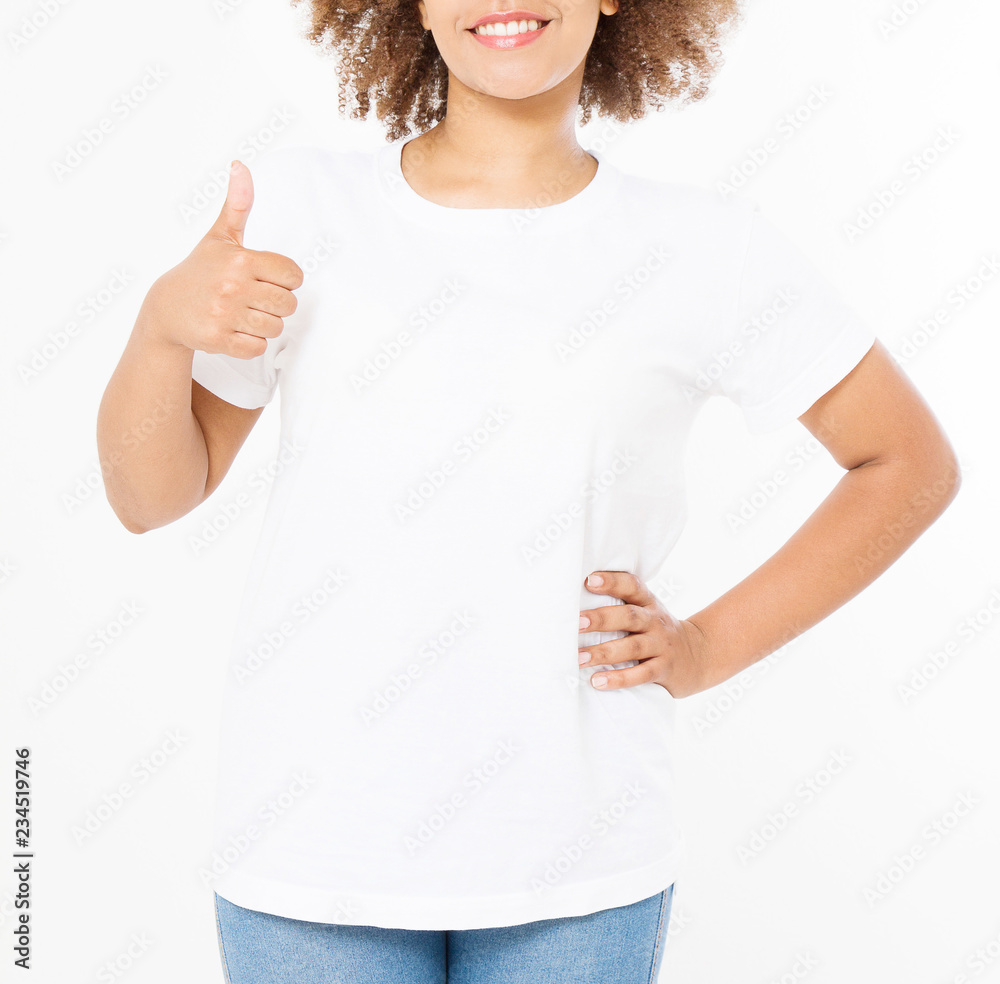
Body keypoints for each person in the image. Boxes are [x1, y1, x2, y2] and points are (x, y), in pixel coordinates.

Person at [96, 0, 962, 980]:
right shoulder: (301, 211)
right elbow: (151, 496)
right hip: (312, 852)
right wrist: (161, 328)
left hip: (579, 866)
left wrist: (705, 646)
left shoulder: (704, 246)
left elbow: (907, 462)